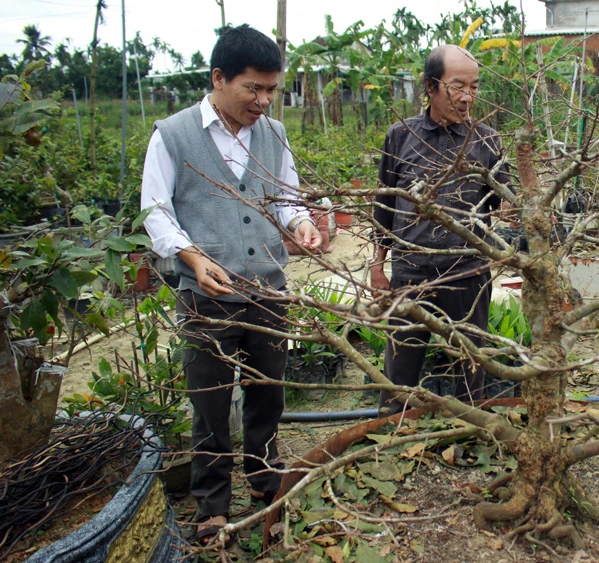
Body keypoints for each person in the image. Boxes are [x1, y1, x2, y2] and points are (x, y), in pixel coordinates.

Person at [140, 24, 321, 544]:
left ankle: (265, 481)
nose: (263, 101)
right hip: (208, 298)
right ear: (219, 78)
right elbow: (156, 210)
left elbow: (286, 199)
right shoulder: (172, 135)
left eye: (271, 90)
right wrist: (192, 257)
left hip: (268, 291)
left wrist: (300, 223)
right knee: (211, 402)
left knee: (268, 393)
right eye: (252, 89)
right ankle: (213, 504)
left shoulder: (274, 134)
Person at [371, 45, 512, 414]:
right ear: (431, 86)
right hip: (412, 273)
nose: (469, 97)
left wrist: (518, 200)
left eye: (475, 86)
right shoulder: (401, 137)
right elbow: (384, 206)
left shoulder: (487, 140)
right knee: (399, 368)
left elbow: (504, 203)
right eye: (458, 86)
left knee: (471, 363)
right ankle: (389, 432)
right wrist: (377, 265)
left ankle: (470, 433)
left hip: (468, 273)